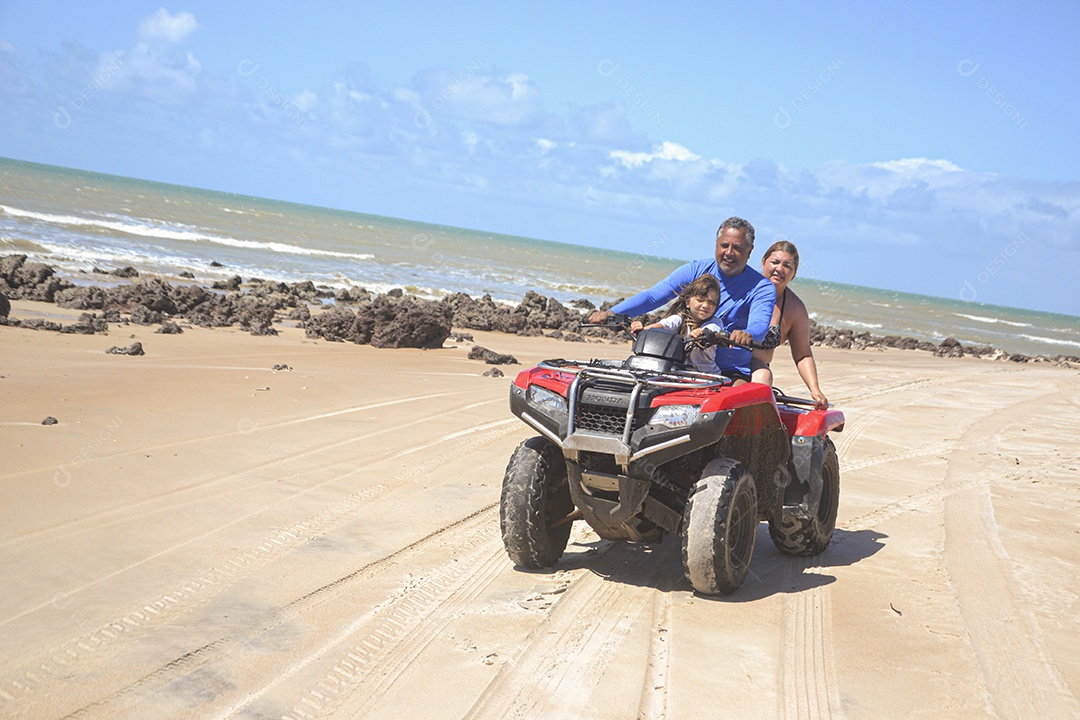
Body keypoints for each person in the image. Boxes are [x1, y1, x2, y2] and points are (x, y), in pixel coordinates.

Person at [588, 216, 775, 380]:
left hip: (728, 371)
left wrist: (747, 334)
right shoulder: (696, 270)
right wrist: (612, 313)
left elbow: (760, 326)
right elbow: (653, 297)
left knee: (740, 404)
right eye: (724, 245)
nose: (728, 252)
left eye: (737, 248)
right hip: (679, 364)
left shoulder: (762, 288)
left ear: (750, 251)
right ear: (716, 245)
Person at [749, 240, 828, 408]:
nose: (779, 269)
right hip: (724, 363)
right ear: (763, 262)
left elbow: (803, 354)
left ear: (794, 273)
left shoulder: (795, 308)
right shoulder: (743, 288)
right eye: (775, 262)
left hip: (758, 372)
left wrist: (815, 390)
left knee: (763, 377)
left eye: (787, 265)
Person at [629, 274, 721, 373]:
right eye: (700, 300)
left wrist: (702, 333)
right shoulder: (679, 319)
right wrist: (642, 330)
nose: (705, 305)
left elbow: (712, 329)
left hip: (707, 376)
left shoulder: (715, 322)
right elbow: (664, 325)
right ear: (687, 302)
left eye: (711, 303)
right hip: (679, 373)